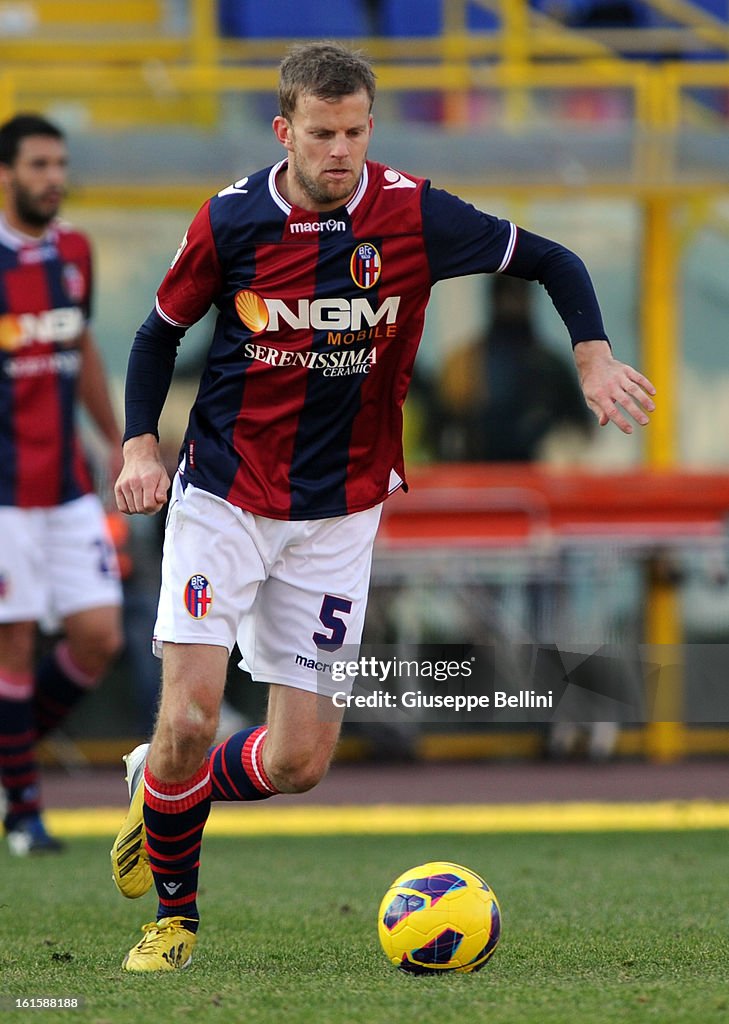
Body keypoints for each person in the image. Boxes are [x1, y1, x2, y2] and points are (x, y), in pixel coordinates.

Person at [111, 41, 656, 972]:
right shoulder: (231, 221)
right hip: (225, 495)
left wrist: (593, 355)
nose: (342, 152)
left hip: (340, 513)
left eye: (356, 131)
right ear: (285, 131)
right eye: (322, 134)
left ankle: (160, 784)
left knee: (297, 766)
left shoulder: (413, 213)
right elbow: (158, 333)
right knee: (193, 716)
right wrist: (138, 447)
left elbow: (553, 261)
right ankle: (175, 921)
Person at [0, 114, 124, 855]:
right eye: (39, 164)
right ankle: (26, 814)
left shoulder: (74, 250)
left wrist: (118, 440)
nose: (54, 177)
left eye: (60, 164)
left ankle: (10, 763)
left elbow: (79, 342)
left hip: (70, 486)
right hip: (5, 494)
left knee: (97, 638)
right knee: (14, 647)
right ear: (6, 174)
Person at [435, 273, 594, 462]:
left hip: (538, 479)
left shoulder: (550, 366)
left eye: (519, 296)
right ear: (493, 299)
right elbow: (437, 429)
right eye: (506, 295)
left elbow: (581, 427)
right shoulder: (463, 365)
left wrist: (560, 449)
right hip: (476, 477)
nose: (512, 305)